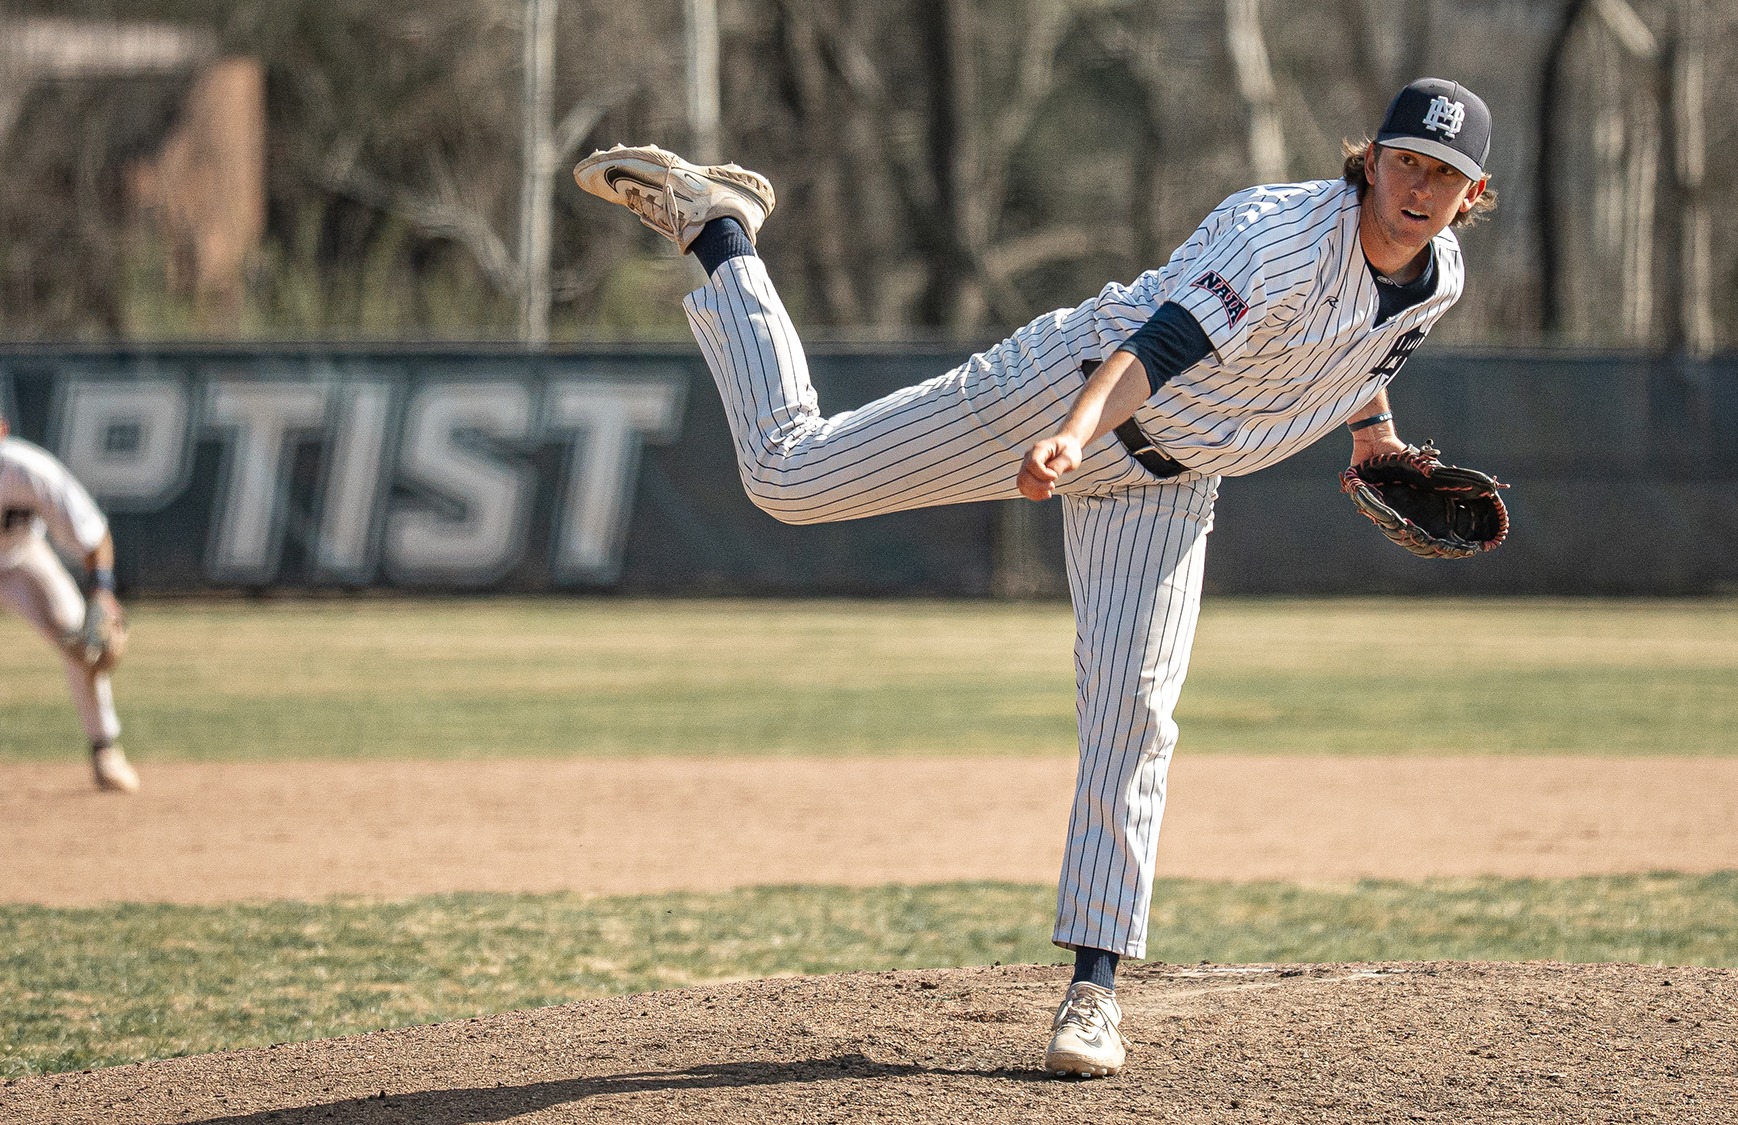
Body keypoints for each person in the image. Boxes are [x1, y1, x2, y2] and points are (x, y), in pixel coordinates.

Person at [575, 76, 1494, 1077]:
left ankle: (1091, 996)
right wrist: (1064, 435)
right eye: (1405, 158)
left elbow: (1359, 355)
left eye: (1442, 173)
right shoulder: (1279, 237)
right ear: (1370, 160)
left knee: (1135, 715)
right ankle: (720, 230)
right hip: (1061, 391)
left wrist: (1371, 438)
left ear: (1470, 195)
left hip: (1170, 487)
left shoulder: (1437, 277)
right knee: (787, 476)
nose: (1418, 184)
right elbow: (1156, 350)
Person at [0, 413, 138, 793]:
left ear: (2, 431)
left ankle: (104, 749)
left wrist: (103, 593)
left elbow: (93, 537)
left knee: (84, 639)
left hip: (19, 559)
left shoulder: (29, 471)